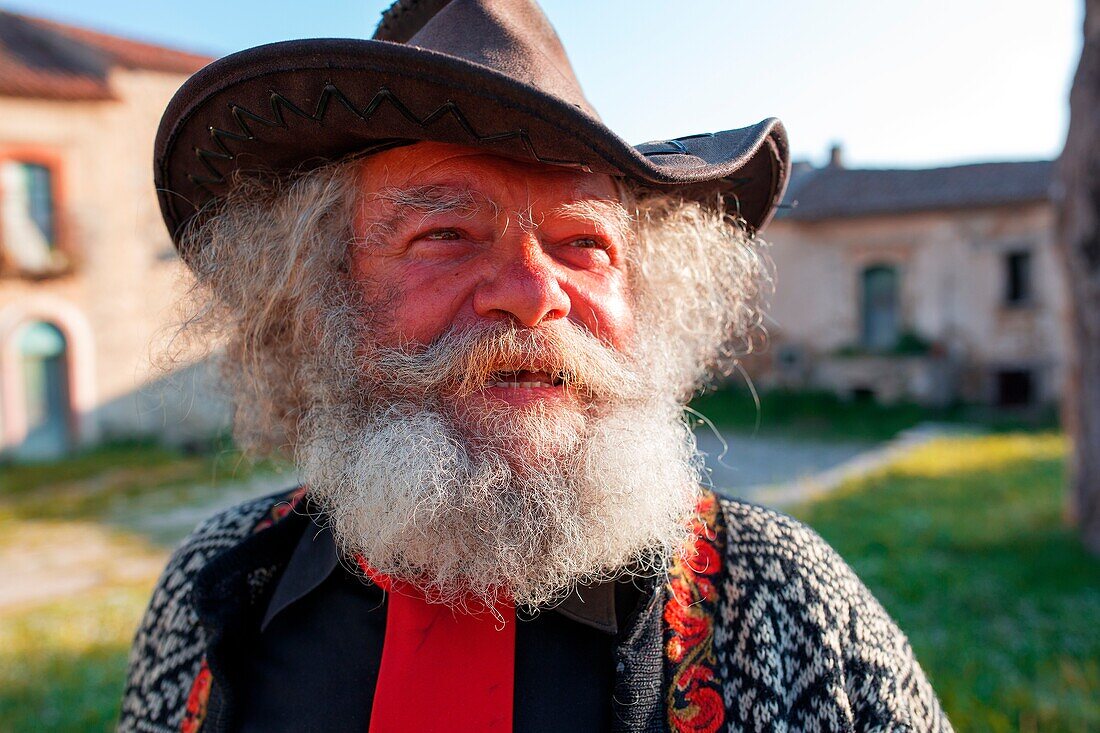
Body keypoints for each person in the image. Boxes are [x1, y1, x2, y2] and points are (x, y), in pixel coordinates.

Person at [120, 1, 953, 731]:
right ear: (318, 294)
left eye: (583, 245)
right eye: (444, 234)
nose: (531, 294)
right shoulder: (214, 585)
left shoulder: (797, 606)